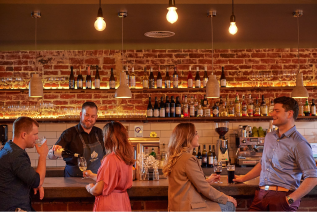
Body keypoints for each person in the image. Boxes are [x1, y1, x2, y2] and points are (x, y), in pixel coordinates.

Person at [234, 96, 317, 211]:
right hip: (261, 196)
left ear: (289, 114)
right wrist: (243, 178)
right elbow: (263, 163)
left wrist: (290, 199)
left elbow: (312, 177)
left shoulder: (299, 143)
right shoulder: (269, 136)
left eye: (276, 111)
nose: (272, 114)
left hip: (282, 198)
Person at [163, 123, 237, 212]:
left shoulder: (176, 157)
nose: (198, 136)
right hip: (190, 208)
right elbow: (204, 188)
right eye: (196, 133)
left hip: (177, 207)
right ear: (188, 137)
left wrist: (206, 181)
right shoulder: (188, 159)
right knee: (230, 205)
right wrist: (226, 198)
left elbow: (185, 183)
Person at [84, 121, 135, 211]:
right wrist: (92, 175)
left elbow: (97, 190)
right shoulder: (127, 158)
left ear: (108, 138)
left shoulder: (110, 158)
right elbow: (111, 180)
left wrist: (90, 188)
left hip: (109, 204)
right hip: (123, 202)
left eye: (104, 136)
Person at [0, 117, 48, 211]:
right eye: (35, 134)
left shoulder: (9, 148)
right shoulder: (16, 155)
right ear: (24, 135)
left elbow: (31, 179)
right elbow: (37, 181)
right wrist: (42, 155)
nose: (37, 137)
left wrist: (33, 184)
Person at [48, 102, 105, 177]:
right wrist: (53, 152)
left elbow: (106, 155)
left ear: (96, 117)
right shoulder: (69, 133)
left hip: (96, 180)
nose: (89, 119)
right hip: (74, 180)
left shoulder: (100, 133)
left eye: (92, 116)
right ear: (81, 114)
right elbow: (50, 156)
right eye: (86, 115)